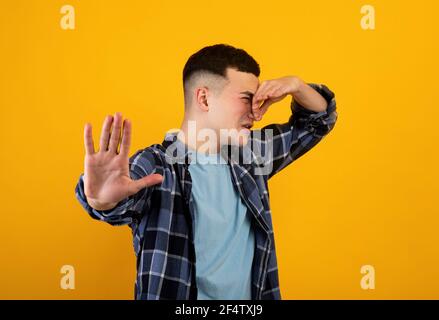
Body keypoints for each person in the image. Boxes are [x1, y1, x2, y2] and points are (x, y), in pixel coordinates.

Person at [75, 43, 338, 300]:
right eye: (247, 98)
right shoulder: (157, 164)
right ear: (203, 98)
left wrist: (297, 86)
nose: (257, 113)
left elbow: (318, 121)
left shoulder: (250, 155)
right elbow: (116, 199)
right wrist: (100, 199)